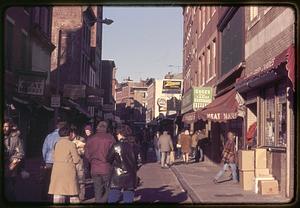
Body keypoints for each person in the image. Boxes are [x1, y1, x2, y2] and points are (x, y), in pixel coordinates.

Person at [48, 124, 80, 203]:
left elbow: (53, 156)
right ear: (69, 134)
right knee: (72, 192)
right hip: (68, 171)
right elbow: (76, 159)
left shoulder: (56, 144)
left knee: (58, 192)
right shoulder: (71, 144)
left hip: (57, 171)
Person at [84, 121, 115, 203]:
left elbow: (86, 154)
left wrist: (91, 161)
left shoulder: (91, 139)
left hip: (94, 167)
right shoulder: (110, 138)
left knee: (97, 190)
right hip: (106, 167)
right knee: (109, 189)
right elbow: (114, 153)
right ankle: (102, 201)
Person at [106, 126, 138, 203]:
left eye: (117, 134)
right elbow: (137, 160)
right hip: (130, 175)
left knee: (113, 198)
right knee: (128, 198)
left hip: (117, 176)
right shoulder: (134, 146)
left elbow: (108, 159)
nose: (117, 135)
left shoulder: (116, 146)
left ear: (120, 134)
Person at [41, 120, 66, 201]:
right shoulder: (63, 137)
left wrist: (45, 159)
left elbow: (44, 149)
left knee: (47, 179)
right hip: (59, 161)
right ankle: (56, 195)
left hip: (48, 160)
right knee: (58, 179)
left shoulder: (49, 136)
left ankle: (46, 195)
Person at [3, 119, 25, 201]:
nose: (4, 129)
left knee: (9, 190)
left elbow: (21, 153)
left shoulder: (16, 138)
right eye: (3, 126)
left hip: (11, 168)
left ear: (10, 127)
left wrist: (12, 165)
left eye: (6, 126)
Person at [70, 126, 86, 201]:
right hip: (71, 163)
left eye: (73, 133)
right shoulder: (68, 140)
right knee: (72, 179)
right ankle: (73, 195)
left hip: (79, 162)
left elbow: (84, 152)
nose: (71, 135)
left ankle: (81, 196)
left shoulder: (81, 139)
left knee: (81, 180)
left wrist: (76, 150)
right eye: (70, 133)